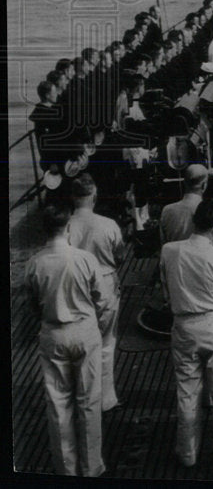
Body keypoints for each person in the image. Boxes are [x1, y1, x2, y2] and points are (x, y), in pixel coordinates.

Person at [24, 203, 112, 477]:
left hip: (52, 332)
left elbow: (33, 306)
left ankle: (66, 469)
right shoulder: (85, 259)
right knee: (88, 400)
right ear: (68, 227)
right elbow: (102, 298)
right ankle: (92, 466)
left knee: (59, 403)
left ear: (44, 230)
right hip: (84, 330)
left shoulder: (34, 263)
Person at [160, 200, 213, 468]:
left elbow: (165, 290)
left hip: (183, 325)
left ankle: (187, 453)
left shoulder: (169, 251)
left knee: (187, 393)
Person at [68, 174, 125, 412]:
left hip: (76, 285)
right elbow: (120, 256)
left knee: (79, 340)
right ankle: (106, 399)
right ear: (94, 196)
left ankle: (82, 396)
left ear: (73, 197)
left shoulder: (67, 226)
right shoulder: (108, 224)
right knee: (106, 341)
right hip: (105, 281)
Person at [159, 163, 213, 251]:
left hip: (176, 262)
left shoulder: (166, 211)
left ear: (184, 183)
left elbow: (163, 245)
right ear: (204, 185)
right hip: (207, 263)